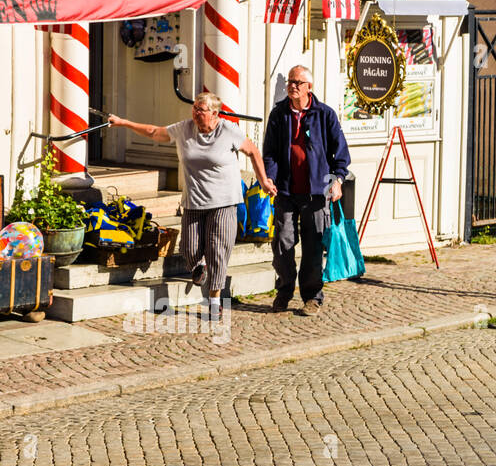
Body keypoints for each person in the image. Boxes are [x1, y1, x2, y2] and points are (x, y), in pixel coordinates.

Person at [108, 93, 275, 321]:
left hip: (224, 201)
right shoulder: (184, 128)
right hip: (194, 200)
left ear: (215, 114)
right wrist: (124, 123)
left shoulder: (229, 131)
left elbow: (253, 151)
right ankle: (199, 266)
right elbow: (154, 132)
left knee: (218, 249)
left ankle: (214, 300)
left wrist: (264, 179)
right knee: (189, 247)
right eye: (195, 108)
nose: (196, 113)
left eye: (201, 110)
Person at [262, 66, 352, 316]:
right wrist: (269, 177)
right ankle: (284, 290)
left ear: (309, 87)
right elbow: (269, 152)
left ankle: (312, 296)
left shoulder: (324, 114)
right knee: (282, 244)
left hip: (315, 194)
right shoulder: (279, 114)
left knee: (313, 246)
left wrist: (337, 180)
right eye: (290, 81)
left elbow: (341, 154)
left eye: (298, 82)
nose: (292, 85)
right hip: (286, 192)